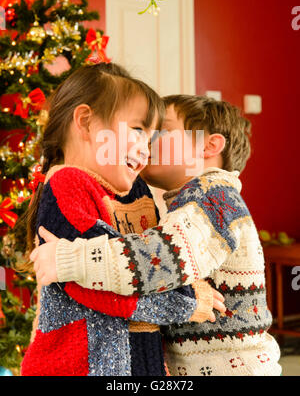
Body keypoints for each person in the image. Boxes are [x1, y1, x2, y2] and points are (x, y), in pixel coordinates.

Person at [33, 94, 282, 376]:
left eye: (162, 130)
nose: (147, 140)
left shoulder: (216, 199)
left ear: (209, 145)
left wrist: (69, 259)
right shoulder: (188, 203)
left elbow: (155, 260)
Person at [20, 65, 223, 376]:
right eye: (138, 130)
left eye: (153, 136)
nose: (147, 149)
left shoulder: (137, 191)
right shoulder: (68, 185)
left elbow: (155, 262)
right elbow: (97, 286)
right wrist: (186, 303)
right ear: (86, 122)